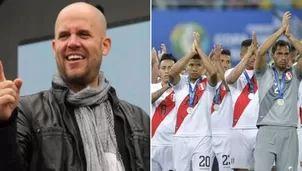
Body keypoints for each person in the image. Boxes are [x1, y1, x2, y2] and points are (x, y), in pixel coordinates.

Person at [0, 2, 150, 171]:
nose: (72, 43)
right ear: (54, 47)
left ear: (105, 45)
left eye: (83, 34)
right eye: (64, 35)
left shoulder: (139, 121)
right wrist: (3, 126)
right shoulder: (25, 114)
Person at [254, 11, 302, 171]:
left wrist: (290, 37)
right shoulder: (263, 72)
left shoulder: (295, 73)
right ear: (272, 55)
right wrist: (280, 30)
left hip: (289, 129)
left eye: (286, 54)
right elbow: (260, 52)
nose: (283, 57)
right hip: (266, 128)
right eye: (279, 54)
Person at [169, 32, 217, 171]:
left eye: (198, 65)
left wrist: (199, 50)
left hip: (203, 138)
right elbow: (172, 73)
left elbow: (213, 73)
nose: (194, 68)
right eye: (191, 65)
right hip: (180, 138)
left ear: (203, 67)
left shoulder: (208, 84)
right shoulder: (180, 83)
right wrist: (191, 53)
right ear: (186, 67)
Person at [224, 35, 258, 171]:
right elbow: (231, 80)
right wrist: (247, 56)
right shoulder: (231, 72)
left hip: (262, 128)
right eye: (250, 54)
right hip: (239, 129)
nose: (253, 57)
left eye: (255, 53)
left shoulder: (265, 73)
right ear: (241, 54)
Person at [151, 52, 177, 171]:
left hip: (173, 146)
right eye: (163, 68)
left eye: (170, 68)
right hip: (153, 146)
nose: (167, 71)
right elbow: (149, 99)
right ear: (159, 71)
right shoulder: (152, 87)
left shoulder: (182, 90)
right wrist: (166, 87)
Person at [209, 46, 233, 171]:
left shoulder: (234, 82)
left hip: (226, 137)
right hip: (206, 137)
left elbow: (227, 83)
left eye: (227, 62)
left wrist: (216, 61)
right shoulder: (204, 84)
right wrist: (210, 61)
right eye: (221, 61)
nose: (224, 64)